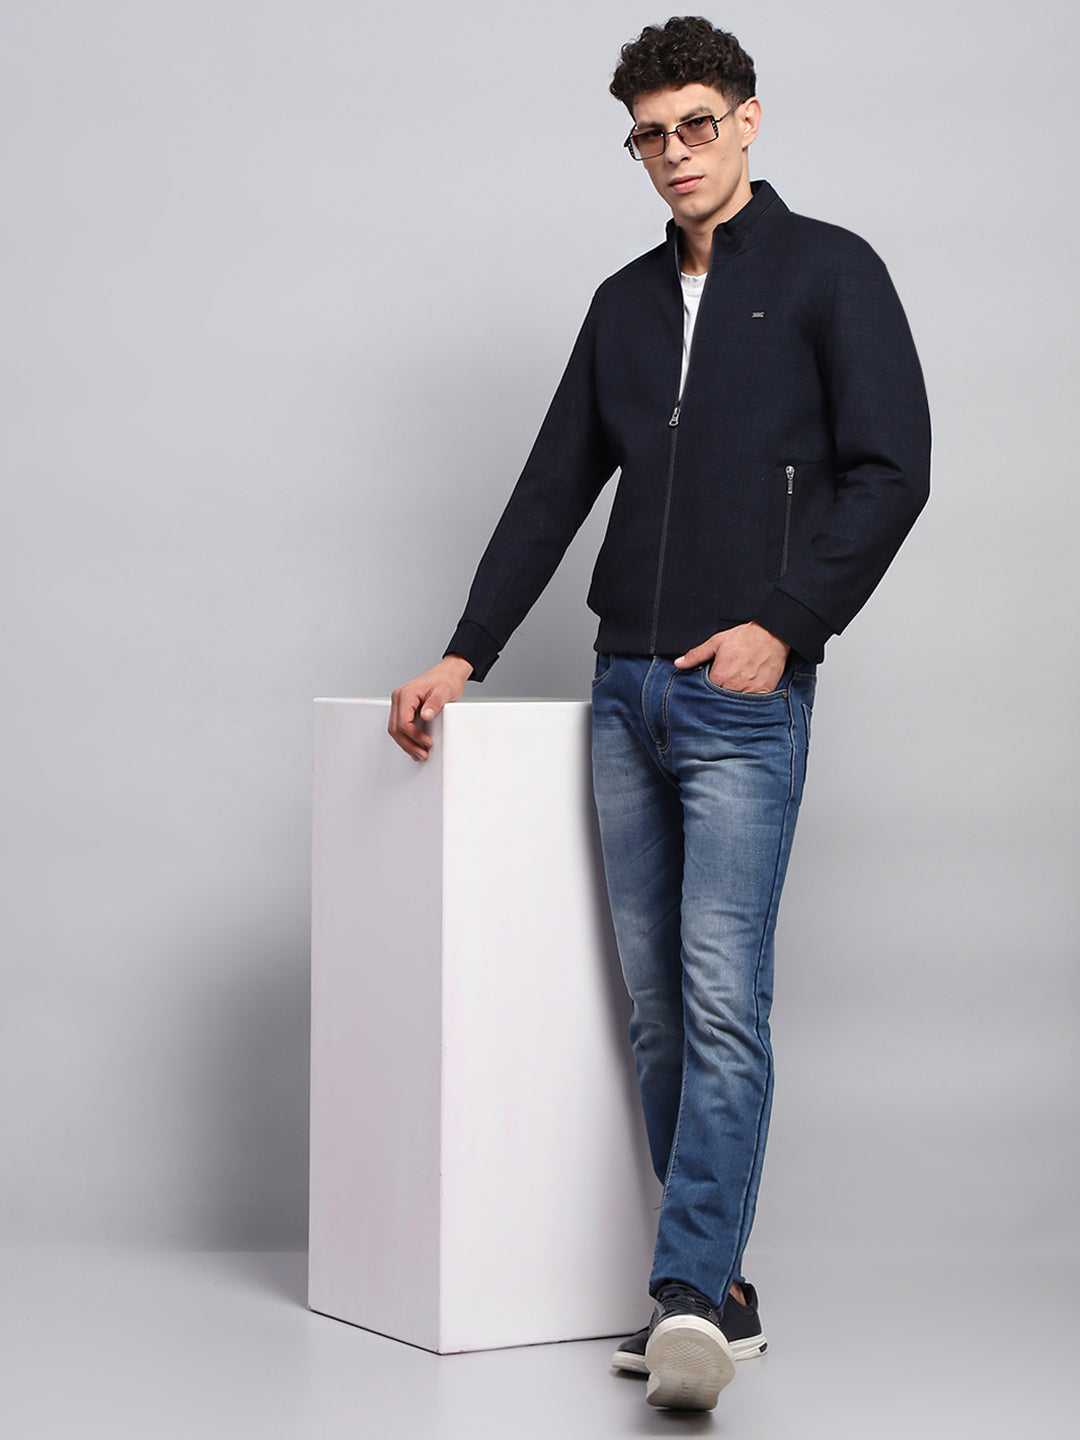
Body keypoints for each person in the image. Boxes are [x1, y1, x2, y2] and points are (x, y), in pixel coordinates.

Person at [388, 15, 930, 1413]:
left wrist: (788, 624)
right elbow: (552, 484)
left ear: (747, 119)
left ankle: (686, 1295)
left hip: (742, 696)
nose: (674, 154)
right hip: (623, 691)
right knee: (656, 1016)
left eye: (696, 124)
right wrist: (464, 651)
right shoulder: (623, 302)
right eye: (648, 136)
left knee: (722, 998)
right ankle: (722, 1289)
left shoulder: (832, 272)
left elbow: (894, 468)